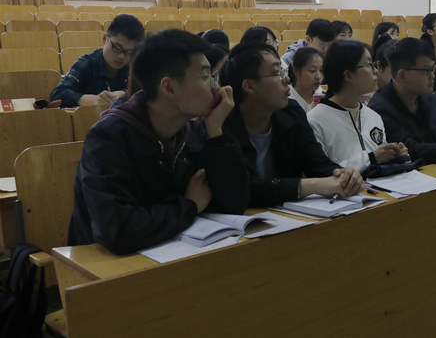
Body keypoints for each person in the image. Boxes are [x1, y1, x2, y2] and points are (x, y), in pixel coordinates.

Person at [68, 30, 250, 255]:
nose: (217, 88)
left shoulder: (195, 133)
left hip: (176, 255)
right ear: (169, 87)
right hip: (107, 267)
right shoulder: (108, 138)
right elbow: (118, 231)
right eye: (206, 77)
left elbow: (234, 204)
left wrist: (216, 132)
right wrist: (189, 206)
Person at [221, 42, 363, 207]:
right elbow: (241, 188)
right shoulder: (221, 126)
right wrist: (313, 185)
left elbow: (316, 161)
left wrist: (342, 175)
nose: (287, 79)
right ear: (250, 86)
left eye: (284, 72)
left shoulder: (291, 113)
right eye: (277, 73)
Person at [307, 40, 407, 173]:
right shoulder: (314, 121)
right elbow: (321, 172)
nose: (375, 71)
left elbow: (380, 160)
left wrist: (395, 154)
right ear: (348, 75)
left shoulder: (374, 116)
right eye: (369, 65)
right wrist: (371, 158)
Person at [52, 14, 145, 107]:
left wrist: (124, 94)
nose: (121, 56)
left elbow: (147, 91)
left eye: (129, 52)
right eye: (117, 47)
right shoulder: (86, 64)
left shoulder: (134, 66)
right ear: (105, 39)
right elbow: (58, 93)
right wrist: (88, 99)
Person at [288, 47, 324, 113]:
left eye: (321, 70)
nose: (318, 76)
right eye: (312, 71)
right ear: (296, 71)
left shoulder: (324, 97)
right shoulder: (285, 99)